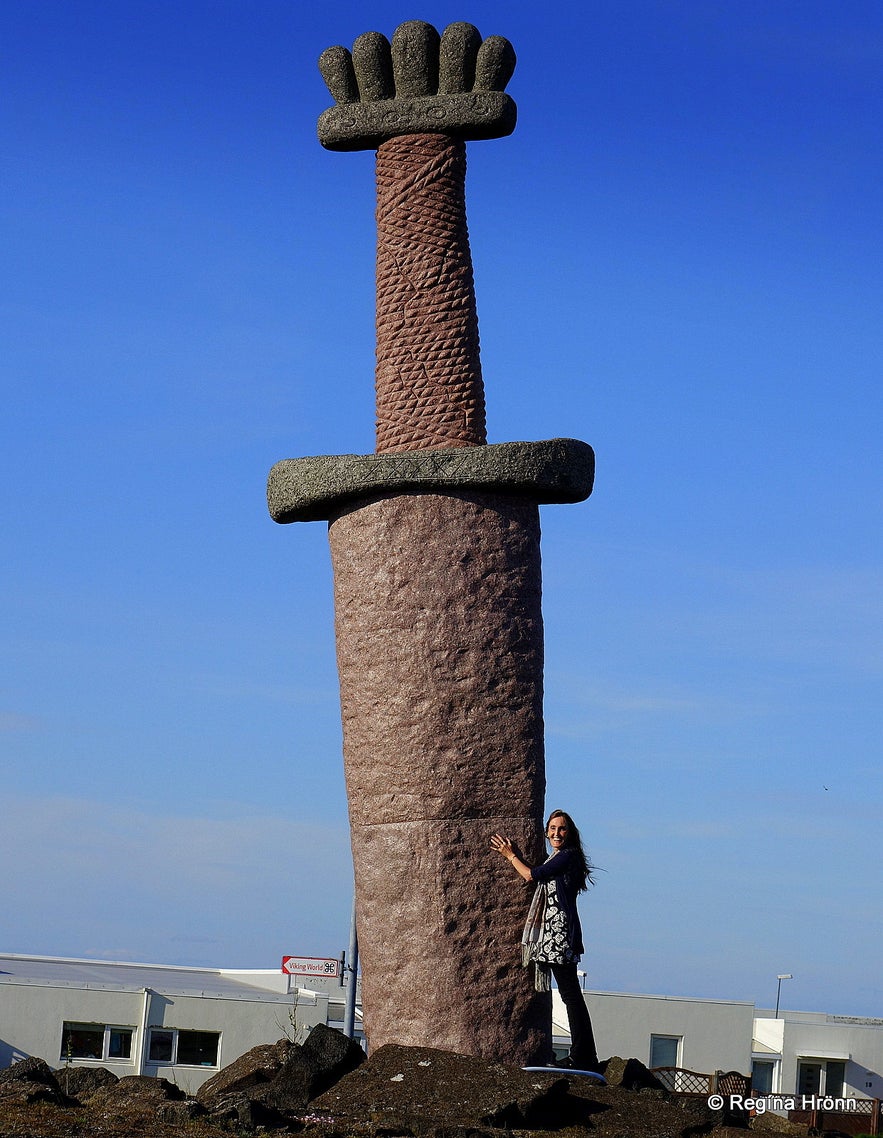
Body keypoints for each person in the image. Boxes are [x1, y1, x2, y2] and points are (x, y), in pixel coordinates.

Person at [491, 809, 599, 1070]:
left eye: (561, 829)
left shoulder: (567, 856)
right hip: (552, 935)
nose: (556, 833)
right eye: (552, 828)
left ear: (569, 832)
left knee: (570, 995)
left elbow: (531, 875)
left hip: (559, 935)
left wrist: (510, 855)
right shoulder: (557, 857)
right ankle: (584, 1055)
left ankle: (583, 1056)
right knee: (570, 995)